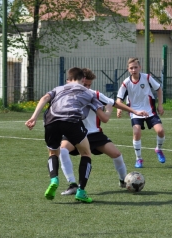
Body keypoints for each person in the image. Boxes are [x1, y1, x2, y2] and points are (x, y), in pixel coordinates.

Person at [25, 67, 111, 203]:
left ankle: (54, 179)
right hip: (71, 120)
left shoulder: (59, 88)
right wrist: (109, 109)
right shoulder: (88, 92)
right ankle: (81, 191)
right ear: (83, 79)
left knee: (53, 153)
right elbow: (103, 117)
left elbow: (45, 98)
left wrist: (33, 117)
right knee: (86, 153)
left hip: (51, 120)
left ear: (68, 80)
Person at [60, 68, 149, 195]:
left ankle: (123, 181)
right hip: (75, 133)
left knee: (117, 154)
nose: (87, 87)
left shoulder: (94, 94)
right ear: (79, 80)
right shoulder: (67, 94)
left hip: (94, 134)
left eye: (89, 85)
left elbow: (114, 103)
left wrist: (135, 112)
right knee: (62, 150)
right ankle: (72, 184)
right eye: (85, 84)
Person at [116, 57, 166, 168]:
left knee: (161, 131)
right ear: (128, 69)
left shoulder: (147, 77)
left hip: (150, 111)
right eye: (131, 68)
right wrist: (119, 108)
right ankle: (139, 159)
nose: (134, 70)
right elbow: (119, 99)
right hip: (135, 112)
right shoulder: (126, 83)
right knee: (137, 132)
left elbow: (159, 89)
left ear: (140, 67)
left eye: (135, 67)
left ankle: (158, 149)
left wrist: (160, 105)